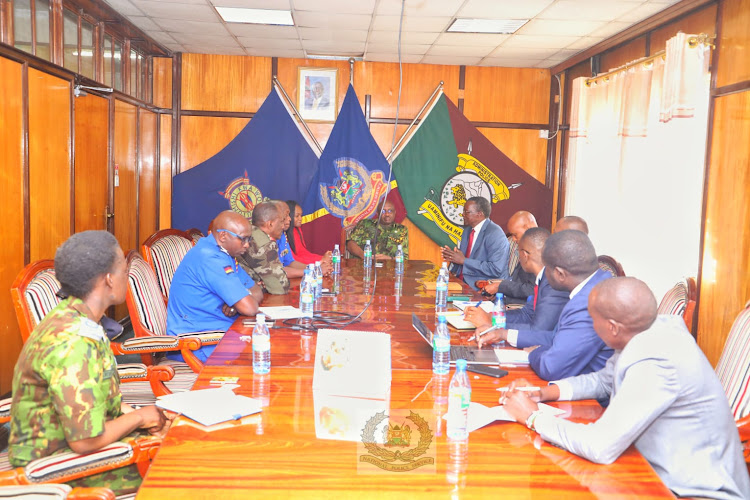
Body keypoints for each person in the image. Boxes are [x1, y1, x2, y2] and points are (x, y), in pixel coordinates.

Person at [502, 278, 750, 500]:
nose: (590, 326)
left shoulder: (656, 361)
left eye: (592, 319)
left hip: (690, 490)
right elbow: (605, 380)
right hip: (650, 468)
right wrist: (546, 393)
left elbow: (600, 446)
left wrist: (533, 417)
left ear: (612, 327)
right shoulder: (646, 330)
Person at [9, 231, 171, 495]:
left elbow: (98, 399)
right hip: (57, 469)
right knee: (178, 468)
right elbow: (86, 442)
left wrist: (142, 415)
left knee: (183, 437)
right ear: (108, 279)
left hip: (78, 445)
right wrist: (141, 416)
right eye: (123, 267)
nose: (127, 273)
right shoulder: (74, 343)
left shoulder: (78, 316)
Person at [475, 230, 613, 381]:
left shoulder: (589, 302)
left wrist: (534, 352)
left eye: (546, 267)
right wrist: (503, 333)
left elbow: (551, 366)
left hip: (590, 399)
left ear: (559, 273)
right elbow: (555, 337)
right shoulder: (597, 286)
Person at [168, 210, 263, 360]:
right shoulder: (210, 258)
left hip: (221, 329)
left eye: (249, 239)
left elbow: (257, 290)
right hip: (198, 341)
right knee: (264, 350)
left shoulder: (225, 253)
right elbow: (250, 308)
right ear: (223, 236)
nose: (247, 245)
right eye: (243, 239)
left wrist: (238, 300)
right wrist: (241, 300)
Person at [465, 228, 569, 333]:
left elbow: (538, 331)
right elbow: (526, 314)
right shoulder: (544, 277)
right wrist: (492, 317)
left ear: (524, 255)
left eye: (517, 253)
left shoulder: (553, 285)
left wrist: (493, 324)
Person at [441, 197, 509, 290]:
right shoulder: (468, 230)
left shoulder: (495, 233)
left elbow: (496, 269)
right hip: (460, 282)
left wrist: (463, 260)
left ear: (479, 214)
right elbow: (462, 260)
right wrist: (453, 257)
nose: (463, 214)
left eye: (466, 212)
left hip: (479, 286)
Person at [236, 201, 293, 294]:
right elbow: (280, 288)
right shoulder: (262, 244)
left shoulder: (251, 232)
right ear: (270, 224)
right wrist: (261, 287)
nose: (283, 226)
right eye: (281, 221)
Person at [482, 210, 537, 303]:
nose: (514, 239)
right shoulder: (526, 248)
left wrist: (501, 286)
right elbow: (517, 283)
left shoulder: (540, 253)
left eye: (515, 235)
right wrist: (499, 295)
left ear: (527, 227)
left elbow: (532, 290)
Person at [274, 200, 328, 278]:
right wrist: (313, 270)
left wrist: (316, 266)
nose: (289, 219)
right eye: (286, 216)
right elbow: (277, 272)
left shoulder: (282, 235)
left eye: (289, 216)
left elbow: (290, 262)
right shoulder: (265, 241)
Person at [285, 200, 332, 266]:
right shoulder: (284, 235)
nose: (300, 218)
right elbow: (293, 260)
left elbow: (304, 253)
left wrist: (322, 258)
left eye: (301, 215)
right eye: (297, 216)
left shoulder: (297, 230)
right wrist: (321, 260)